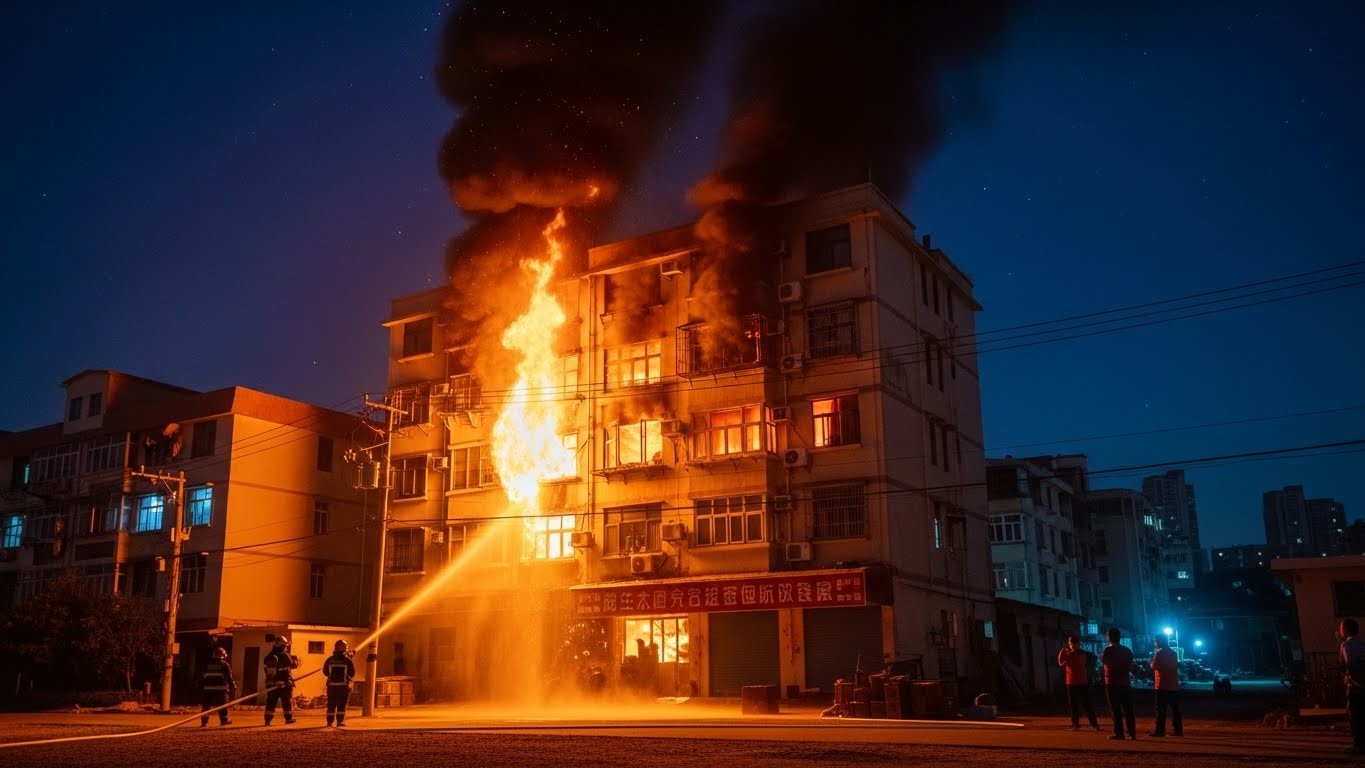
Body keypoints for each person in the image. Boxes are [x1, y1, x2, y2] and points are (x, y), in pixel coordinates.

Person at [1100, 627, 1137, 741]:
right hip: (1125, 682)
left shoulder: (1107, 650)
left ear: (1109, 637)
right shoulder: (1127, 650)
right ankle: (1132, 732)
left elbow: (1104, 662)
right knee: (1128, 709)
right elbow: (1131, 665)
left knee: (1115, 709)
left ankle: (1119, 733)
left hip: (1112, 682)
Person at [1058, 634, 1100, 731]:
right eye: (1071, 644)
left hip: (1073, 682)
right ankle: (1094, 725)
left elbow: (1060, 662)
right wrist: (1089, 671)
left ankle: (1077, 724)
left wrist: (1062, 650)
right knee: (1085, 704)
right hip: (1080, 682)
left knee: (1075, 705)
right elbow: (1092, 660)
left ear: (1073, 644)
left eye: (1072, 644)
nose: (1072, 646)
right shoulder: (1084, 654)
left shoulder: (1069, 655)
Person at [1149, 633, 1184, 737]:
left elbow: (1154, 666)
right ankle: (1178, 731)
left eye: (1155, 641)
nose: (1155, 643)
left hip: (1162, 685)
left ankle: (1160, 731)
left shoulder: (1159, 653)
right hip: (1173, 685)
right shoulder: (1173, 653)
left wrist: (1150, 664)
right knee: (1175, 710)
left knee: (1160, 710)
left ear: (1159, 641)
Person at [1340, 618, 1365, 754]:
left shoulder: (1346, 645)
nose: (1340, 631)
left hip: (1354, 686)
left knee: (1355, 717)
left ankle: (1358, 745)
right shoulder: (1362, 644)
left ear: (1347, 630)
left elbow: (1348, 665)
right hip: (1364, 685)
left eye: (1341, 628)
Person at [263, 635, 299, 725]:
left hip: (271, 684)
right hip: (284, 684)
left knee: (271, 702)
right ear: (284, 646)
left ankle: (267, 720)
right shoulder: (285, 656)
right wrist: (294, 660)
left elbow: (267, 670)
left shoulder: (270, 655)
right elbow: (288, 669)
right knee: (286, 701)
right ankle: (288, 718)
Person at [199, 646, 236, 727]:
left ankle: (204, 722)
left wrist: (202, 687)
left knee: (206, 706)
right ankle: (224, 721)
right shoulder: (225, 665)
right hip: (220, 690)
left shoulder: (207, 665)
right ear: (223, 656)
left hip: (207, 690)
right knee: (223, 706)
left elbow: (202, 677)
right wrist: (233, 687)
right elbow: (229, 678)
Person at [323, 639, 356, 727]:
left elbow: (325, 672)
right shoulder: (347, 660)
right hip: (343, 687)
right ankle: (340, 721)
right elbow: (352, 673)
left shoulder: (329, 659)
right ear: (345, 648)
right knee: (341, 705)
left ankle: (329, 722)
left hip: (331, 686)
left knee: (331, 704)